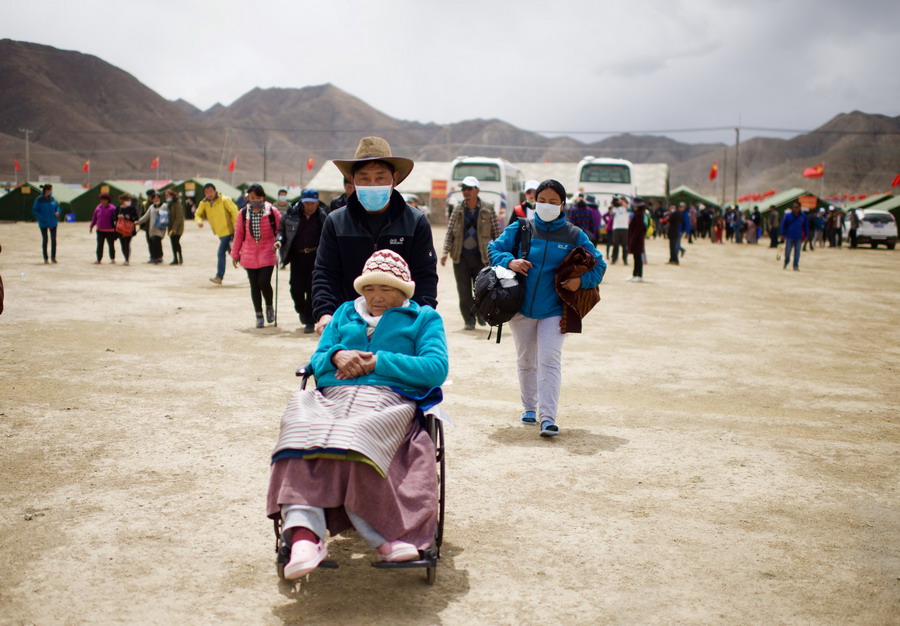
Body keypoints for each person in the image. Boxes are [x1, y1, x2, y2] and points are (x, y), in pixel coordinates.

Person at [267, 250, 448, 578]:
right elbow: (318, 359)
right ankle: (305, 537)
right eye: (369, 289)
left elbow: (436, 368)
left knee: (355, 433)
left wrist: (379, 361)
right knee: (299, 422)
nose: (376, 298)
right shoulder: (343, 312)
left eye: (387, 289)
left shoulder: (423, 319)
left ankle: (386, 536)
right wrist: (336, 356)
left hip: (388, 400)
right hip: (335, 395)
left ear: (404, 291)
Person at [487, 179, 606, 438]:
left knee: (549, 361)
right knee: (526, 359)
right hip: (520, 308)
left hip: (555, 310)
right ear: (534, 201)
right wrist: (511, 261)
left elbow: (600, 266)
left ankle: (548, 418)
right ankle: (529, 408)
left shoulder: (574, 234)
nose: (547, 205)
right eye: (543, 200)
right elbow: (494, 249)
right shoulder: (521, 228)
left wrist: (580, 281)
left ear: (563, 204)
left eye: (554, 201)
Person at [312, 136, 438, 335]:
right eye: (364, 178)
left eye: (380, 178)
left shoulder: (415, 222)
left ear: (394, 179)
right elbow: (325, 274)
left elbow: (424, 277)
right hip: (348, 323)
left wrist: (420, 319)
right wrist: (325, 314)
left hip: (401, 324)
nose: (372, 184)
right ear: (353, 181)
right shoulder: (335, 222)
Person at [441, 176, 501, 330]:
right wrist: (445, 252)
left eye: (469, 188)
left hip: (482, 257)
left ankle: (481, 314)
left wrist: (500, 253)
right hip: (461, 257)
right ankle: (469, 320)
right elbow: (450, 232)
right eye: (463, 189)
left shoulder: (488, 208)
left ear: (477, 190)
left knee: (482, 289)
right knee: (464, 291)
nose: (466, 192)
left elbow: (497, 232)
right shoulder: (457, 209)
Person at [276, 189, 327, 333]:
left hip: (316, 256)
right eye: (306, 203)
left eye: (312, 203)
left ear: (317, 202)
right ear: (302, 202)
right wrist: (279, 241)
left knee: (312, 289)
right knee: (296, 288)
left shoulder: (323, 216)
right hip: (297, 256)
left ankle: (309, 321)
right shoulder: (292, 215)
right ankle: (301, 309)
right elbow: (281, 231)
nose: (309, 206)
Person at [232, 183, 282, 328]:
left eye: (258, 197)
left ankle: (269, 306)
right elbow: (239, 235)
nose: (255, 200)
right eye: (252, 197)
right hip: (248, 254)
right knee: (254, 285)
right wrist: (235, 254)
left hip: (268, 252)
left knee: (264, 281)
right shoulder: (243, 213)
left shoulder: (272, 211)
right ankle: (258, 314)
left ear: (263, 197)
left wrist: (279, 242)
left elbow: (280, 230)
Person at [194, 182, 239, 284]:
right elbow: (197, 213)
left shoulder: (224, 200)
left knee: (220, 253)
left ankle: (219, 277)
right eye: (206, 192)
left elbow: (234, 212)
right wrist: (199, 222)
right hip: (220, 232)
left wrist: (237, 227)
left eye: (211, 191)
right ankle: (252, 271)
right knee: (234, 254)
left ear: (215, 191)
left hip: (229, 231)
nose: (209, 194)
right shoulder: (204, 203)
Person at [134, 191, 167, 264]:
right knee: (152, 243)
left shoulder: (164, 206)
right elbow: (146, 216)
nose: (156, 199)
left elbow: (167, 214)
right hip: (152, 229)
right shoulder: (151, 207)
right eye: (154, 198)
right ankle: (154, 257)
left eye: (157, 198)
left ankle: (159, 257)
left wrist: (160, 212)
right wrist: (138, 222)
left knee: (157, 241)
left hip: (160, 228)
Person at [32, 184, 60, 264]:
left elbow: (57, 207)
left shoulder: (52, 198)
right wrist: (42, 218)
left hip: (53, 222)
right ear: (47, 190)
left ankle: (53, 258)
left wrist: (58, 211)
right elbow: (35, 210)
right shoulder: (39, 199)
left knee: (53, 240)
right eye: (50, 190)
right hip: (43, 223)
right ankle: (45, 258)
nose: (51, 191)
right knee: (45, 240)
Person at [89, 193, 118, 264]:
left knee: (111, 245)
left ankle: (112, 258)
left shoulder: (112, 208)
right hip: (100, 230)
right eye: (102, 199)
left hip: (110, 230)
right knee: (99, 245)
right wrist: (91, 226)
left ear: (108, 200)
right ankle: (98, 259)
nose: (103, 201)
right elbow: (94, 218)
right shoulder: (98, 207)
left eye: (105, 199)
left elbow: (116, 219)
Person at [781, 202, 808, 271]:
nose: (795, 208)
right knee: (787, 251)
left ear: (799, 207)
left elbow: (806, 226)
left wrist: (806, 235)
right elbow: (783, 225)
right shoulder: (788, 216)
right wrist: (782, 234)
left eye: (797, 207)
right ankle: (786, 261)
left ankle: (795, 265)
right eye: (794, 207)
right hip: (789, 236)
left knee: (797, 252)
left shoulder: (803, 216)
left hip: (798, 237)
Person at [114, 193, 139, 265]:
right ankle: (125, 258)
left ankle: (127, 259)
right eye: (127, 200)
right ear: (122, 200)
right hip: (120, 229)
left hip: (129, 229)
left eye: (129, 200)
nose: (129, 201)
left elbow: (136, 218)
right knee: (122, 244)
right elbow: (114, 218)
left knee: (127, 244)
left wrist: (129, 217)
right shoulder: (118, 208)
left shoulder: (132, 208)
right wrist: (118, 217)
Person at [627, 197, 647, 282]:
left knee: (638, 258)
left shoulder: (639, 215)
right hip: (637, 239)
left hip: (637, 240)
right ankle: (635, 274)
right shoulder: (639, 214)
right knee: (636, 257)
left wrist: (632, 240)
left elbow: (637, 229)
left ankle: (639, 275)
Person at [165, 189, 184, 265]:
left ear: (172, 196)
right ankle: (175, 259)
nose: (166, 197)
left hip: (177, 228)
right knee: (172, 243)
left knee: (176, 242)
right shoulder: (169, 205)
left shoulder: (177, 205)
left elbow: (178, 217)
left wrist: (175, 228)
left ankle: (180, 258)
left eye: (168, 195)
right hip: (170, 227)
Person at [609, 197, 630, 265]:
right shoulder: (615, 208)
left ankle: (625, 260)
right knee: (615, 245)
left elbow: (628, 208)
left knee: (625, 245)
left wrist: (621, 202)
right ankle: (614, 259)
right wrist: (611, 206)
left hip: (625, 228)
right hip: (616, 228)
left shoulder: (626, 208)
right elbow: (611, 214)